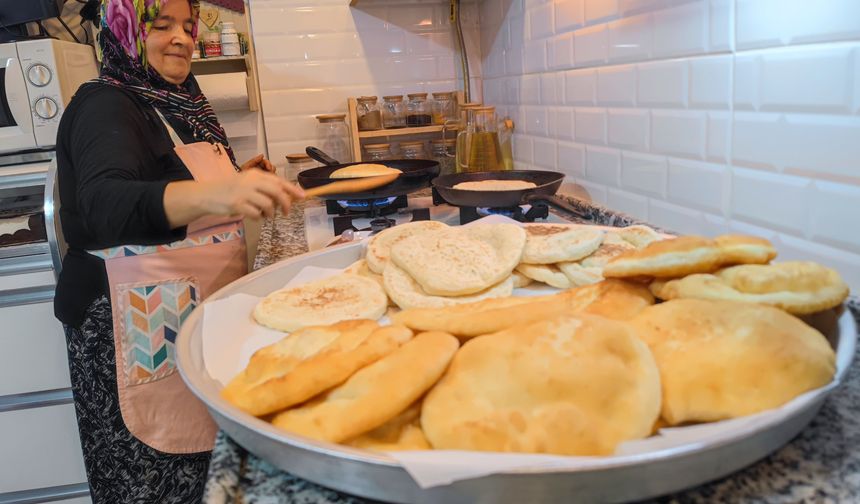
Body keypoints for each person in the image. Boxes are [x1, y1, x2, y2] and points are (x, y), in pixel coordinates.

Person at [53, 1, 303, 502]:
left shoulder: (175, 102)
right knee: (156, 484)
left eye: (187, 26)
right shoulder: (106, 102)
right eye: (160, 25)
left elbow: (172, 180)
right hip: (131, 334)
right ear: (121, 30)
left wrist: (241, 183)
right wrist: (218, 194)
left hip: (184, 320)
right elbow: (104, 203)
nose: (183, 39)